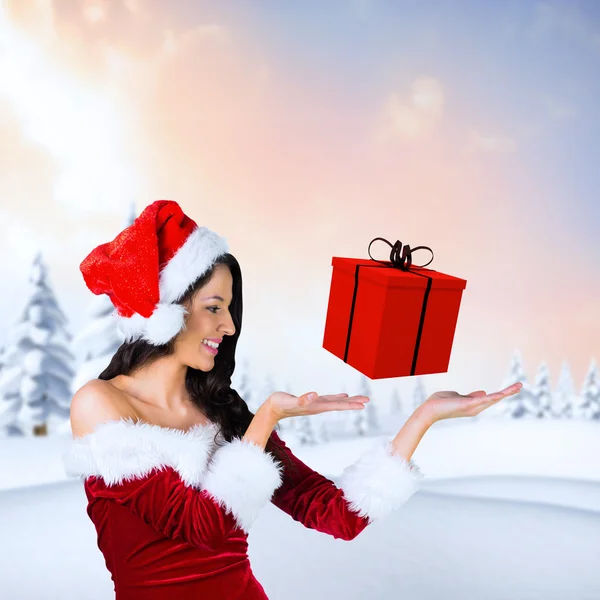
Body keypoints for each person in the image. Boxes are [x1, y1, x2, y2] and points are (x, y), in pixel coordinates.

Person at [63, 199, 522, 600]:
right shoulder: (99, 404)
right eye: (214, 307)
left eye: (229, 309)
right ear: (166, 312)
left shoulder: (222, 409)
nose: (229, 326)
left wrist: (425, 417)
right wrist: (267, 418)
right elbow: (203, 525)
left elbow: (339, 515)